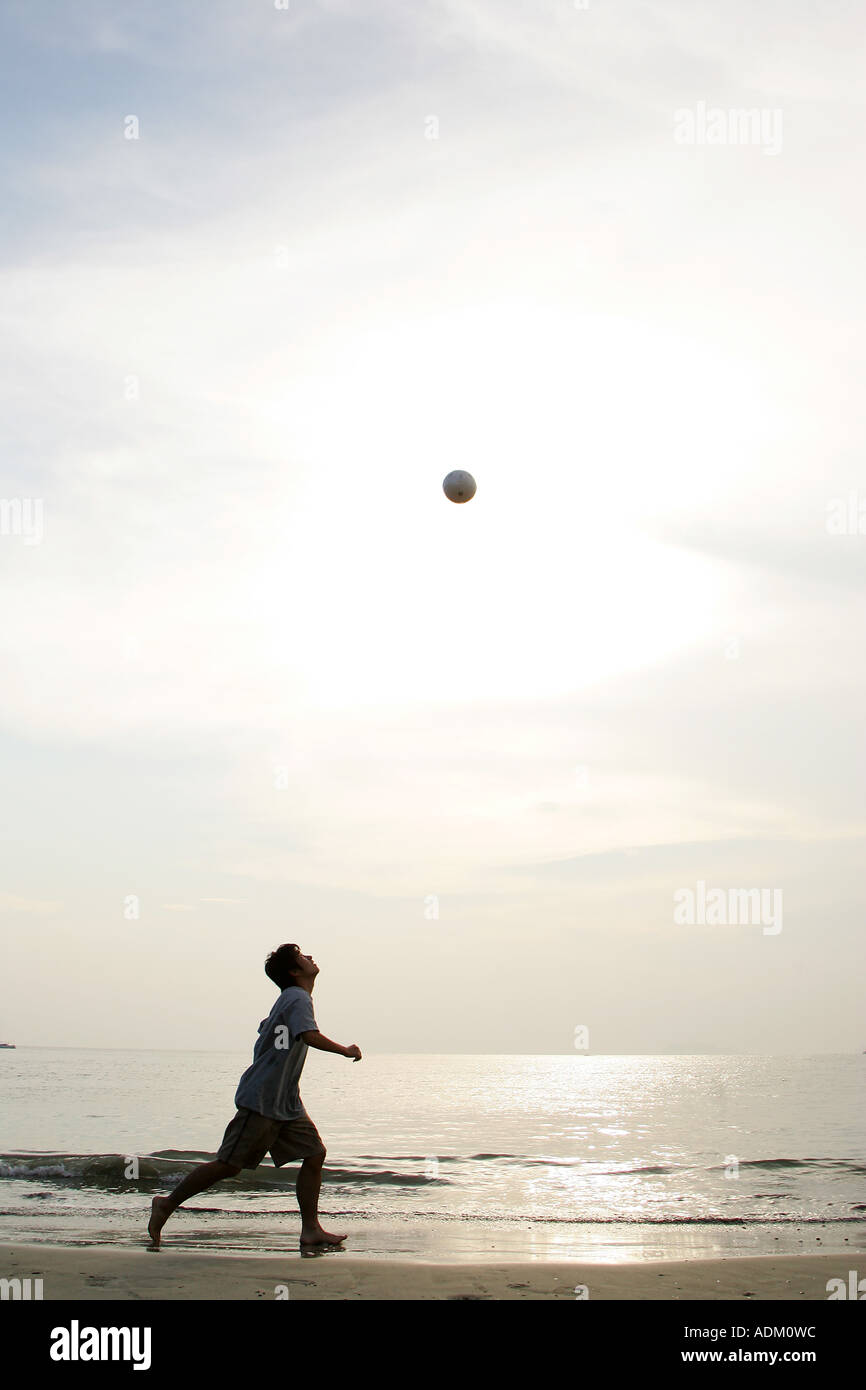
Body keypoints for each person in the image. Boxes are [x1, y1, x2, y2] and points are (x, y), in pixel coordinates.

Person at [146, 943, 361, 1252]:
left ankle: (311, 1229)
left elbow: (268, 1034)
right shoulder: (297, 998)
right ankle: (166, 1204)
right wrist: (346, 1050)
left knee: (314, 1154)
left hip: (285, 1102)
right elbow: (307, 1036)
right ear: (294, 971)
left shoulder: (291, 999)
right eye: (303, 956)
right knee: (228, 1165)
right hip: (262, 1100)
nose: (311, 957)